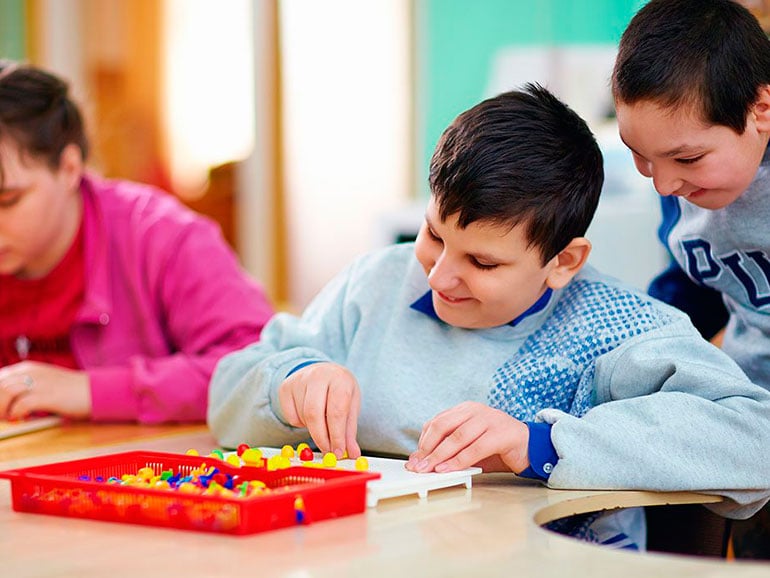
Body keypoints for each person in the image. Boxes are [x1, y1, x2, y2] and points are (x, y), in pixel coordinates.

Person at [208, 83, 770, 550]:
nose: (438, 277)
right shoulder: (375, 283)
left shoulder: (619, 330)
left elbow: (756, 437)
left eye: (481, 261)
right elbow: (229, 391)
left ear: (562, 262)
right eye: (433, 235)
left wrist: (539, 445)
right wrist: (290, 382)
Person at [0, 60, 274, 424]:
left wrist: (87, 390)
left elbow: (262, 368)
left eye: (7, 200)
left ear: (68, 168)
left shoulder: (163, 237)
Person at [611, 0, 770, 557]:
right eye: (641, 157)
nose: (662, 185)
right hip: (748, 425)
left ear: (761, 111)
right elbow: (692, 286)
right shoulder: (680, 186)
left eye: (687, 158)